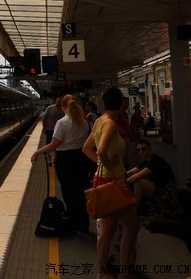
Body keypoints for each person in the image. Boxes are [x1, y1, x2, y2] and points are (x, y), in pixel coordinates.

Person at [82, 86, 140, 279]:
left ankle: (106, 272)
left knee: (110, 229)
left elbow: (86, 148)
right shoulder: (110, 124)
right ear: (121, 104)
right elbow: (100, 150)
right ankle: (118, 272)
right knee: (131, 226)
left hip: (105, 179)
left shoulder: (99, 121)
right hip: (113, 182)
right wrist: (108, 164)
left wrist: (101, 163)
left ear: (104, 103)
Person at [32, 94, 92, 233]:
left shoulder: (63, 122)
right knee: (82, 190)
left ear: (64, 107)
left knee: (69, 191)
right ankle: (84, 223)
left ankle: (73, 222)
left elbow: (54, 144)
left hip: (66, 161)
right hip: (81, 158)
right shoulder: (83, 122)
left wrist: (37, 152)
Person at [126, 139, 176, 207]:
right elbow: (131, 172)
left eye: (143, 149)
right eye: (138, 150)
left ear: (150, 149)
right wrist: (121, 176)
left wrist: (123, 182)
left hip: (167, 191)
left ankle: (134, 209)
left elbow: (137, 176)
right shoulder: (146, 161)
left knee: (138, 183)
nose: (141, 152)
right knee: (134, 183)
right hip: (158, 188)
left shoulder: (155, 161)